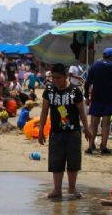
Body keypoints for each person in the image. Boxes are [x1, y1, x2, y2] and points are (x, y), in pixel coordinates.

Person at [38, 63, 92, 199]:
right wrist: (40, 130)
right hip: (56, 132)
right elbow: (44, 111)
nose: (55, 81)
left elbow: (82, 111)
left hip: (73, 132)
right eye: (53, 78)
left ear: (66, 77)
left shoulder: (75, 91)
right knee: (56, 162)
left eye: (58, 78)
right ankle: (57, 190)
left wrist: (86, 128)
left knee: (73, 162)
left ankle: (72, 189)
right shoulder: (49, 90)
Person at [84, 48, 112, 154]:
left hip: (96, 98)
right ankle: (103, 147)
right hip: (109, 99)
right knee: (106, 124)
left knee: (93, 124)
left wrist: (86, 96)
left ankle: (90, 146)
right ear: (111, 56)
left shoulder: (94, 65)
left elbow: (87, 83)